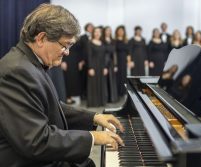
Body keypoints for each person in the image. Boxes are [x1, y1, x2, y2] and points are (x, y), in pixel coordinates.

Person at [0, 4, 124, 167]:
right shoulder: (16, 72)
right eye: (65, 45)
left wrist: (94, 117)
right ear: (41, 38)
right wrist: (93, 137)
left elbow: (51, 107)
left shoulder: (28, 62)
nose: (67, 52)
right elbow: (36, 141)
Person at [87, 27, 108, 107]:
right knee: (93, 84)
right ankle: (94, 103)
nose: (97, 33)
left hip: (102, 66)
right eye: (96, 31)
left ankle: (101, 102)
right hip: (93, 66)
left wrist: (105, 67)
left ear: (101, 33)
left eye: (99, 32)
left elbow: (105, 56)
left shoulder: (102, 43)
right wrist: (90, 67)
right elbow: (89, 56)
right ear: (93, 33)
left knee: (101, 83)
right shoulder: (90, 42)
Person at [115, 25, 130, 97]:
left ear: (124, 32)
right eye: (119, 30)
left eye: (122, 31)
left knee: (124, 76)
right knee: (117, 76)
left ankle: (123, 92)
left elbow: (128, 53)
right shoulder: (114, 40)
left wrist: (129, 62)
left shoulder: (126, 41)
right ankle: (117, 92)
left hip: (124, 61)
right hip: (117, 60)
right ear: (117, 32)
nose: (120, 32)